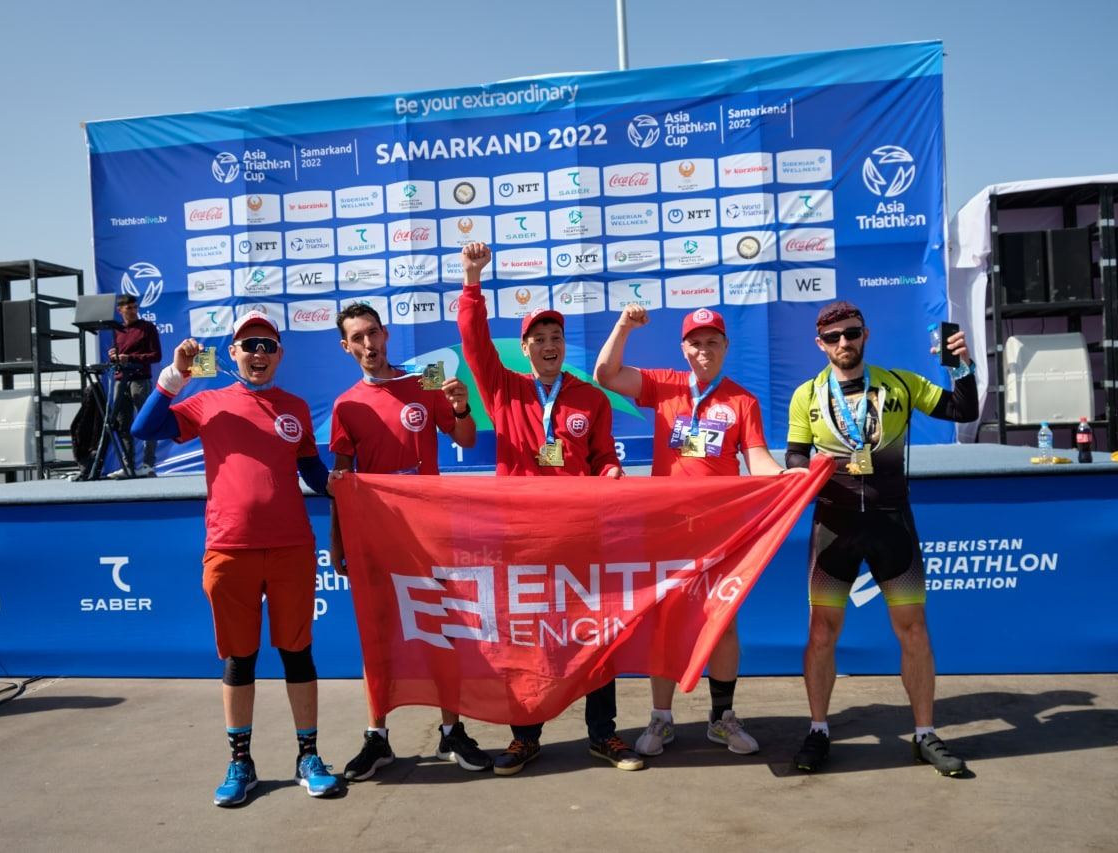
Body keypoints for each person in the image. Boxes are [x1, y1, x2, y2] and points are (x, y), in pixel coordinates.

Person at [131, 309, 340, 804]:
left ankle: (308, 757)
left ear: (280, 355)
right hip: (229, 549)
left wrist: (348, 486)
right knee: (239, 658)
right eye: (249, 345)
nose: (258, 353)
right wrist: (175, 374)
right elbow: (145, 428)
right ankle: (240, 762)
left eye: (268, 345)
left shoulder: (295, 407)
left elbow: (313, 472)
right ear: (233, 353)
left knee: (297, 653)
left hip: (290, 547)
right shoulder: (208, 402)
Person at [456, 240, 642, 776]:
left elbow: (604, 458)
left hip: (581, 536)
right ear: (524, 348)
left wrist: (610, 473)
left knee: (595, 635)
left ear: (564, 345)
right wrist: (472, 280)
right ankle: (524, 737)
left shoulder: (591, 398)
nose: (548, 344)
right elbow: (474, 343)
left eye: (555, 337)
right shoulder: (503, 390)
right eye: (538, 338)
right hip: (521, 540)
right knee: (527, 639)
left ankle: (603, 734)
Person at [593, 303, 802, 759]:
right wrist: (624, 326)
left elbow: (757, 459)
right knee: (665, 622)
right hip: (666, 529)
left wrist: (786, 479)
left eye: (712, 342)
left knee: (722, 623)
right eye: (695, 342)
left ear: (726, 346)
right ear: (683, 348)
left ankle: (722, 718)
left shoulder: (742, 401)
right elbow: (606, 375)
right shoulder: (663, 384)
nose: (703, 350)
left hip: (720, 532)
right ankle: (661, 717)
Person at [785, 300, 977, 776]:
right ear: (820, 344)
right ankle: (818, 729)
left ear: (865, 334)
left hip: (892, 524)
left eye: (851, 333)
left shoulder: (900, 384)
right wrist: (805, 470)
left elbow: (963, 408)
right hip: (834, 527)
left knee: (914, 629)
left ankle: (925, 734)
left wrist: (962, 365)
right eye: (833, 337)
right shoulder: (807, 394)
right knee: (821, 632)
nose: (843, 343)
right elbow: (794, 455)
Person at [327, 303, 492, 780]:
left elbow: (466, 437)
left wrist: (461, 406)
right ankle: (377, 737)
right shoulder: (346, 405)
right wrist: (337, 542)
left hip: (431, 531)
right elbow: (341, 480)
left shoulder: (424, 382)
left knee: (442, 629)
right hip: (376, 534)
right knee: (378, 635)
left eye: (373, 333)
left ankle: (451, 731)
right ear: (346, 346)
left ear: (385, 334)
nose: (368, 344)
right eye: (358, 338)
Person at [107, 293, 162, 477]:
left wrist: (129, 358)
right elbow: (117, 355)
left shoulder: (147, 327)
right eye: (128, 308)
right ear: (120, 310)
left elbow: (156, 355)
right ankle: (128, 466)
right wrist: (113, 356)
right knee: (123, 424)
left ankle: (148, 464)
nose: (132, 311)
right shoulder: (117, 330)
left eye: (135, 307)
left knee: (146, 421)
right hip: (120, 380)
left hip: (140, 379)